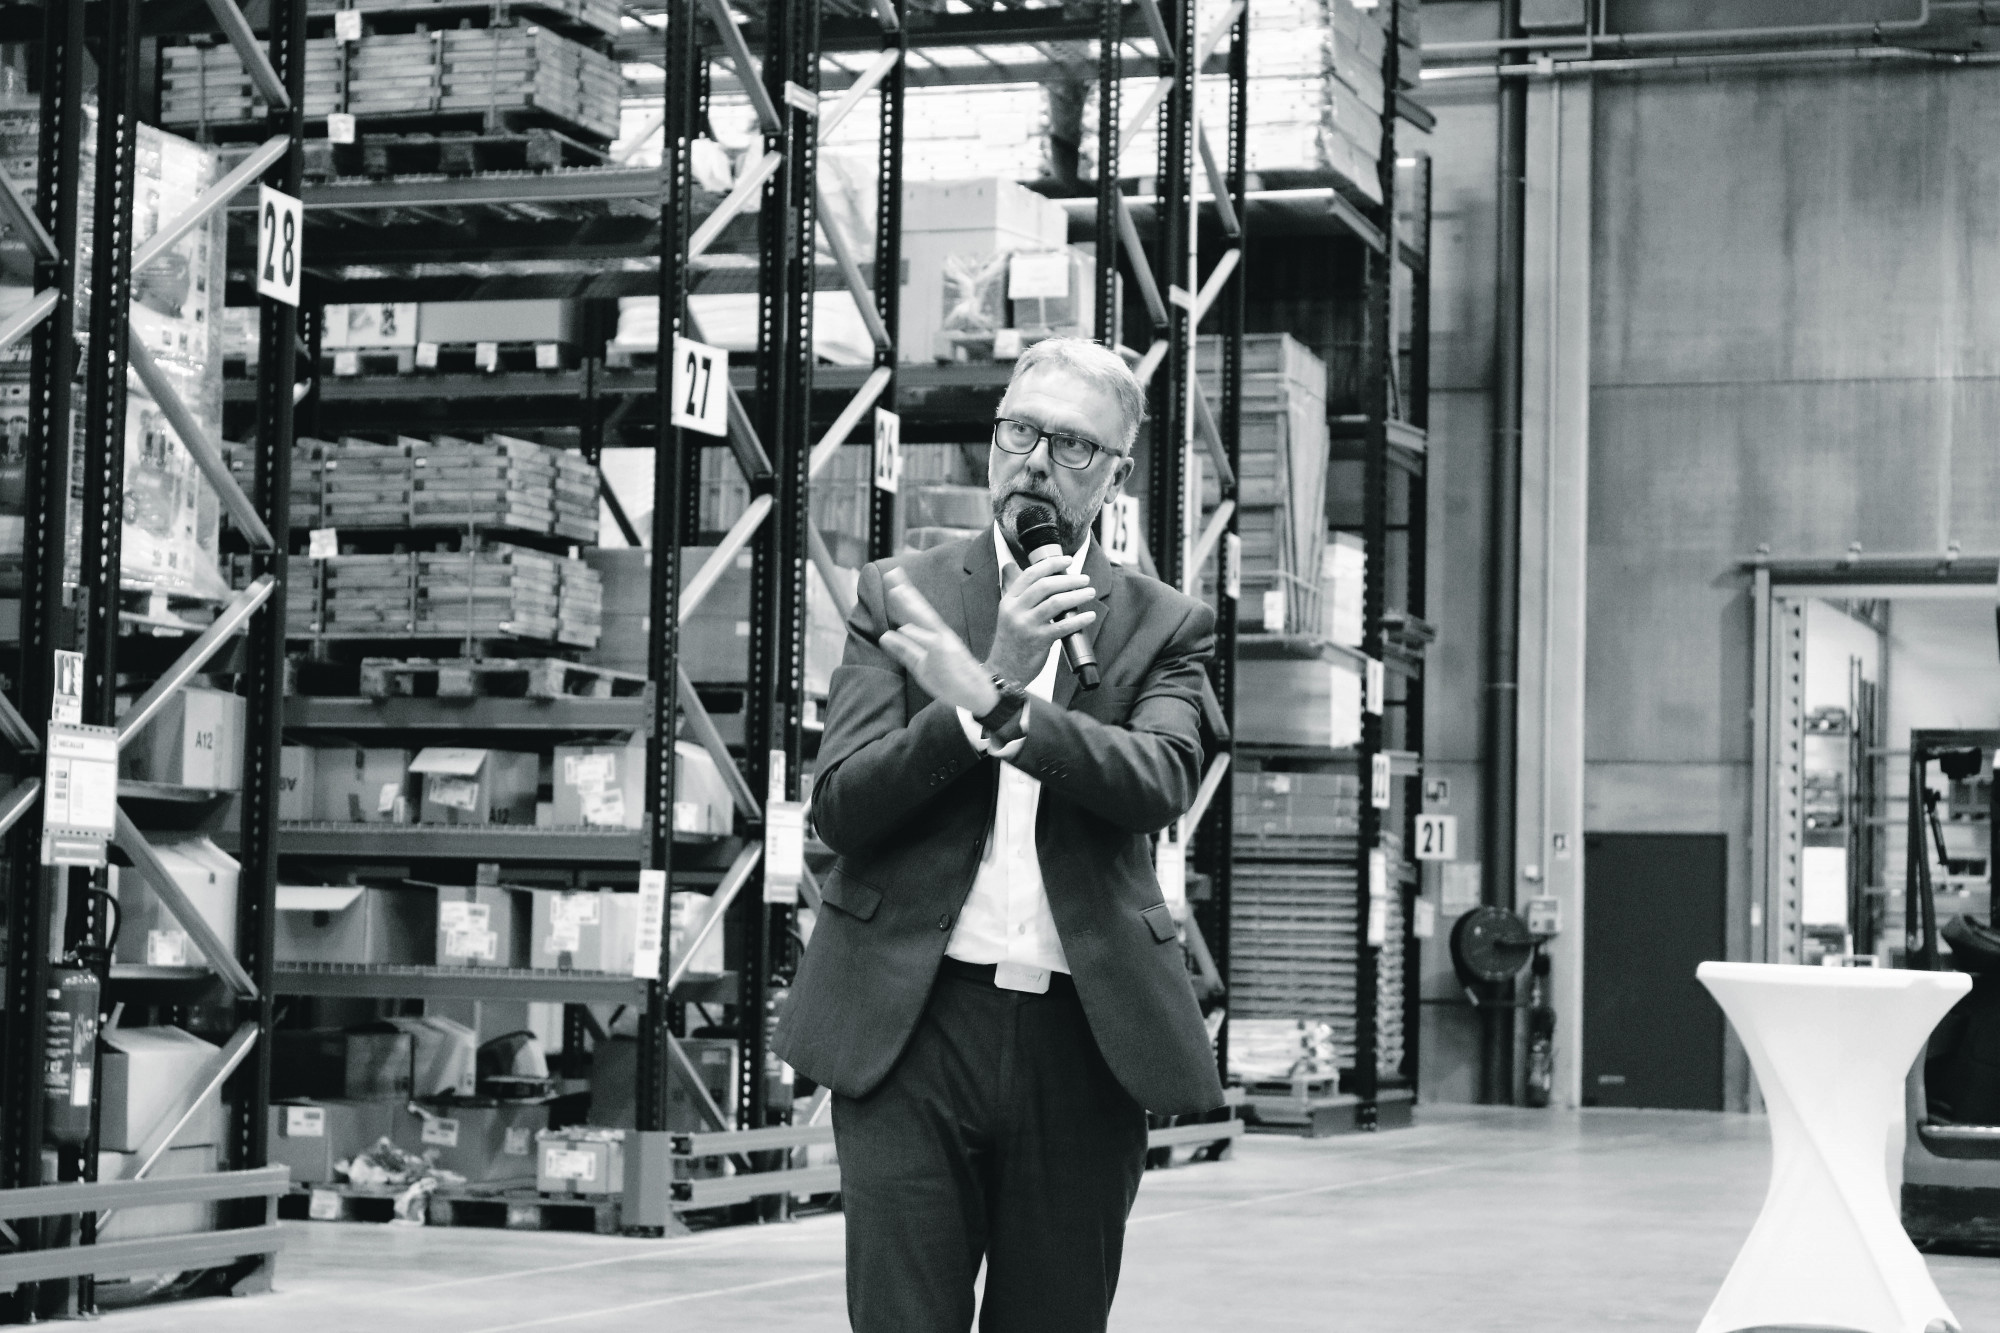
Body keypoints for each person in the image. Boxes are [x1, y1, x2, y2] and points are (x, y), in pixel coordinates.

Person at [774, 337, 1225, 1333]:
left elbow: (1157, 781)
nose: (1034, 461)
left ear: (1114, 475)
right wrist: (987, 682)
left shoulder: (1162, 624)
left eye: (1072, 444)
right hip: (912, 1024)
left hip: (1083, 1037)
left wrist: (1002, 704)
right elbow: (842, 802)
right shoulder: (901, 593)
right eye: (1020, 430)